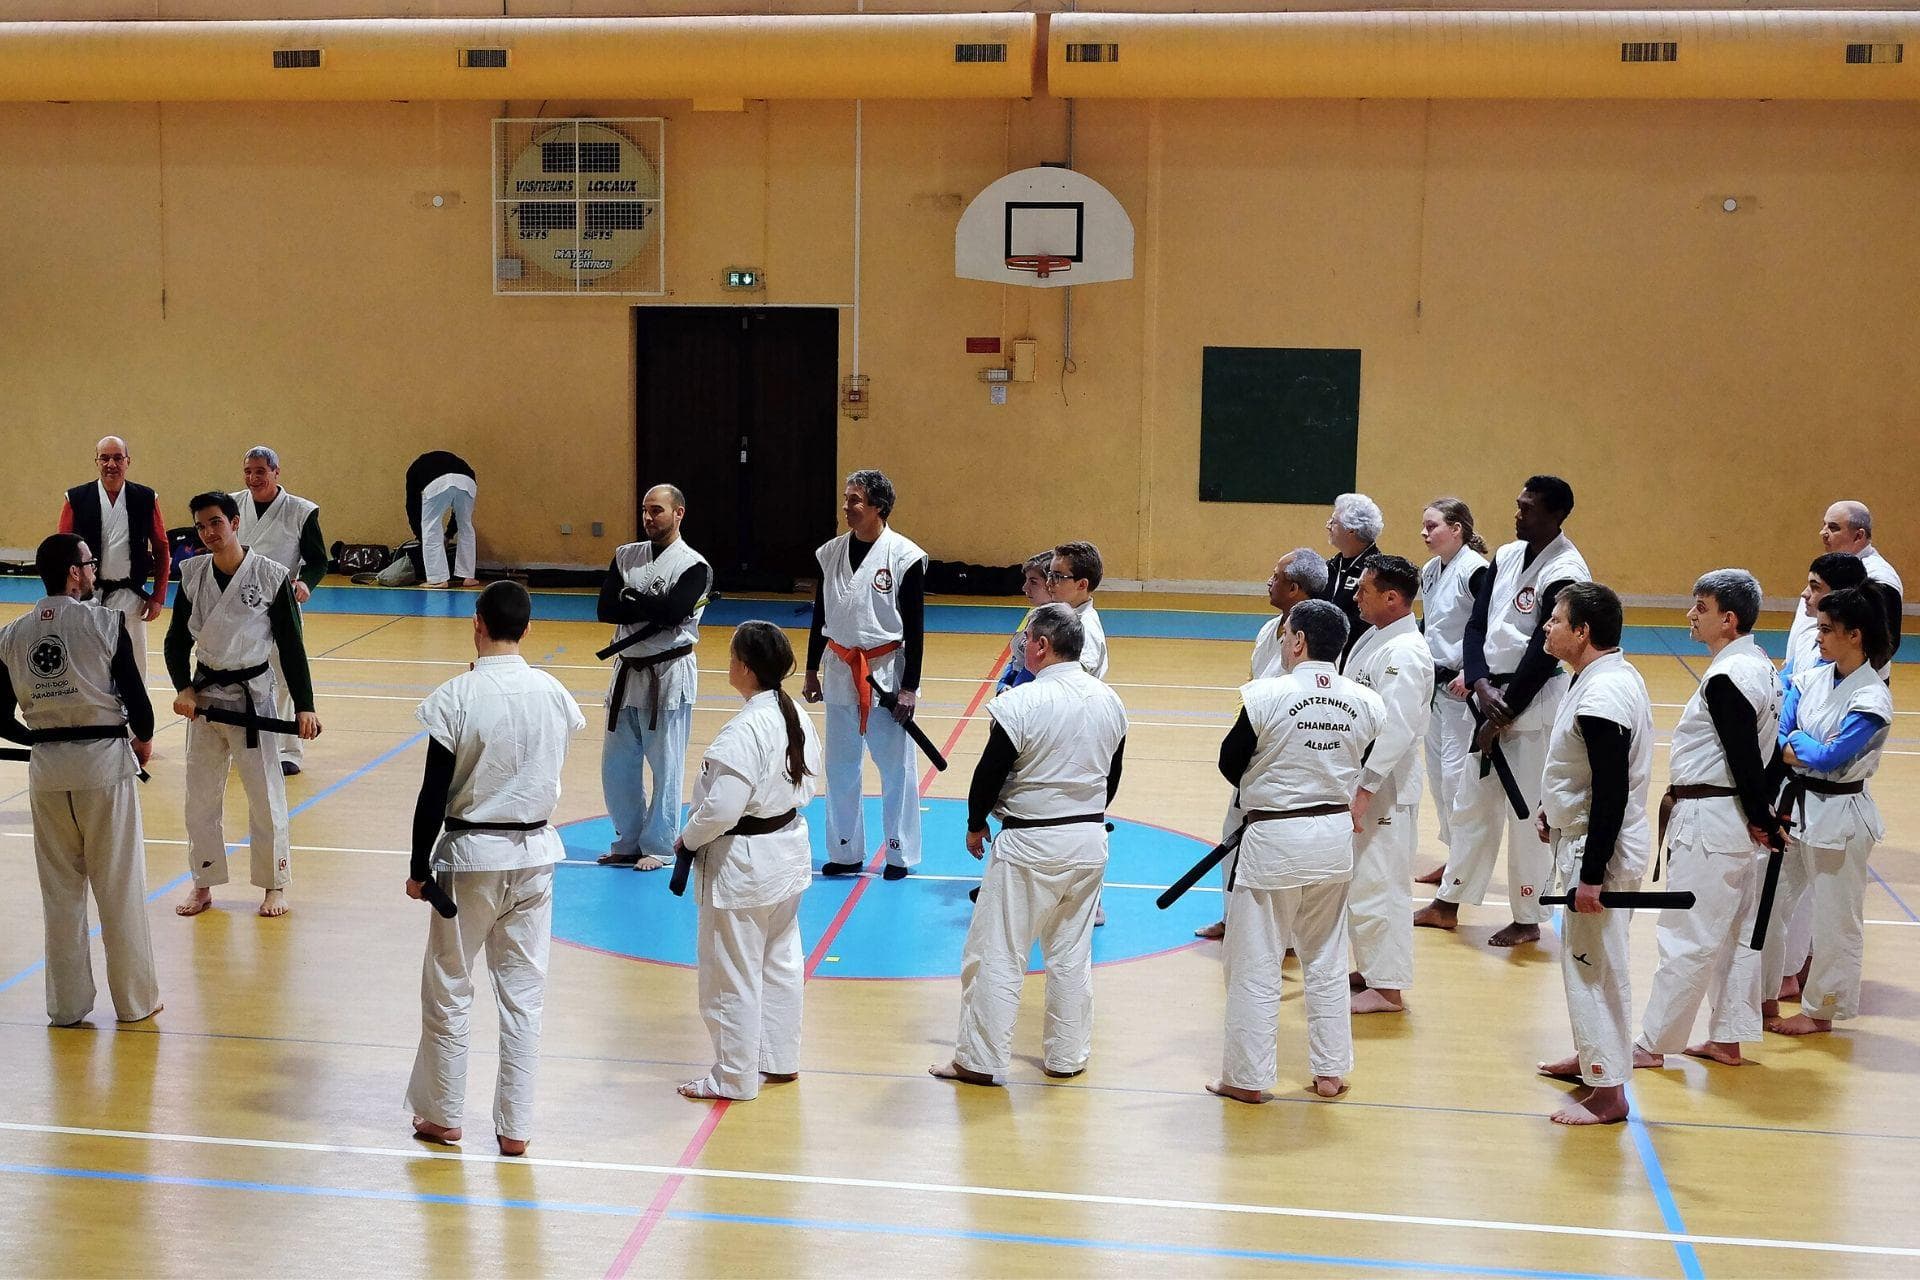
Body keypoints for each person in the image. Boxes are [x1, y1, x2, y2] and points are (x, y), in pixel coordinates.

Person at [405, 582, 585, 1155]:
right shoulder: (554, 693)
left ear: (476, 623)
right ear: (528, 629)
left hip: (470, 861)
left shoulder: (456, 696)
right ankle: (515, 1127)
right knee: (524, 996)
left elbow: (433, 793)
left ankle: (443, 1115)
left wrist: (417, 867)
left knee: (450, 986)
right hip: (535, 857)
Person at [931, 604, 1128, 1086]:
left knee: (998, 952)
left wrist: (975, 823)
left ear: (1041, 645)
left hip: (1031, 842)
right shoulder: (1110, 701)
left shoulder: (1021, 702)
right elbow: (1112, 777)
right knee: (1071, 955)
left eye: (1026, 641)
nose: (1021, 649)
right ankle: (1067, 1056)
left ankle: (979, 1061)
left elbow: (989, 772)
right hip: (1089, 839)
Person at [1208, 599, 1383, 1104]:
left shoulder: (1265, 695)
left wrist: (1276, 777)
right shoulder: (1368, 702)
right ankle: (1330, 1072)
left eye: (1286, 636)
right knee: (1326, 957)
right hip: (1333, 838)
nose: (1284, 644)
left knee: (1255, 959)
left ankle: (1246, 1078)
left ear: (1299, 640)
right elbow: (1363, 756)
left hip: (1274, 840)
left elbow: (1230, 764)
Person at [1415, 476, 1589, 947]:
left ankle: (1528, 917)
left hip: (1530, 702)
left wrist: (1503, 713)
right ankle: (1448, 901)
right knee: (1470, 803)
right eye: (1518, 505)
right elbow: (1476, 625)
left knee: (1526, 812)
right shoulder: (1508, 555)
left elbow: (1545, 649)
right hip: (1487, 692)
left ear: (1555, 515)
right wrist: (1478, 681)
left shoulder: (1566, 570)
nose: (1518, 514)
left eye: (1527, 508)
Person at [0, 533, 161, 1027]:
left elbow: (1, 719)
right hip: (103, 769)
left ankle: (66, 1006)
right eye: (90, 563)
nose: (94, 571)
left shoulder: (11, 636)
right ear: (74, 572)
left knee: (60, 893)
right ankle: (135, 1002)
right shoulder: (106, 623)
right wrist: (138, 738)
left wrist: (43, 737)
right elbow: (143, 713)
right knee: (119, 887)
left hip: (47, 773)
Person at [1631, 571, 1785, 1069]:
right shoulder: (1762, 667)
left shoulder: (1727, 677)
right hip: (1733, 819)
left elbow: (1745, 757)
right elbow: (1765, 756)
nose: (1691, 615)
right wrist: (1761, 816)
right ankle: (1728, 1038)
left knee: (1688, 934)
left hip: (1711, 817)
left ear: (1729, 619)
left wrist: (1762, 816)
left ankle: (1654, 1043)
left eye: (1701, 607)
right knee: (1737, 934)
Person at [675, 622, 822, 1101]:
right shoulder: (795, 715)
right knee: (780, 961)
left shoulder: (746, 729)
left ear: (745, 667)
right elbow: (809, 784)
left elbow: (721, 809)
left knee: (730, 974)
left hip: (744, 867)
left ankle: (733, 1076)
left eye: (732, 656)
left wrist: (687, 838)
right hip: (787, 854)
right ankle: (779, 1059)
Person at [166, 491, 321, 919]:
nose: (208, 532)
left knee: (265, 795)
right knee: (199, 797)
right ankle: (203, 882)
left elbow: (291, 645)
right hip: (205, 700)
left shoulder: (270, 575)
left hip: (254, 698)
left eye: (215, 522)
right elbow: (176, 640)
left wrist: (305, 705)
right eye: (200, 526)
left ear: (235, 523)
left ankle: (274, 884)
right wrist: (183, 688)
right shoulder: (193, 574)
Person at [1532, 583, 1653, 1126]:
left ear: (1582, 632)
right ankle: (1592, 1057)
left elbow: (1611, 789)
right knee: (1586, 961)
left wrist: (1591, 874)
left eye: (1556, 620)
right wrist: (1550, 809)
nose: (1546, 627)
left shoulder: (1604, 692)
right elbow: (1578, 769)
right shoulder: (1597, 678)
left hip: (1596, 849)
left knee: (1594, 967)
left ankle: (1609, 1093)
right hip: (1580, 836)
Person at [1759, 587, 1897, 1037]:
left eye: (1826, 629)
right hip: (1795, 808)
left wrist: (1800, 745)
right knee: (1770, 902)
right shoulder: (1811, 678)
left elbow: (1831, 757)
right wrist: (1802, 746)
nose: (1817, 637)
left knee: (1836, 920)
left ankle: (1822, 1010)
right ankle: (1762, 992)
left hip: (1842, 815)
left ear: (1854, 635)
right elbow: (1782, 735)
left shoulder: (1871, 697)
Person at [1195, 547, 1329, 941]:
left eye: (1276, 577)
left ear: (1295, 588)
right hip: (1255, 743)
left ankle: (1284, 935)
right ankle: (1232, 916)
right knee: (1233, 830)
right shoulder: (1269, 629)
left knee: (1278, 846)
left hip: (1287, 754)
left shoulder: (1317, 638)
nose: (1269, 582)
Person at [803, 470, 928, 880]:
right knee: (840, 767)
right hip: (840, 668)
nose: (846, 506)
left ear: (879, 507)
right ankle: (845, 850)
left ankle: (899, 852)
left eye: (855, 500)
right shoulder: (830, 553)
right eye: (846, 498)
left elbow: (915, 628)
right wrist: (810, 669)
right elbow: (821, 615)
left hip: (887, 672)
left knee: (896, 769)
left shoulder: (904, 556)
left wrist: (909, 688)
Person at [596, 484, 711, 872]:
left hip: (668, 673)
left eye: (657, 510)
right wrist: (649, 606)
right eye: (645, 510)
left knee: (666, 764)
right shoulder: (625, 555)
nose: (648, 517)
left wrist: (631, 598)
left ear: (679, 513)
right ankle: (627, 840)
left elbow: (674, 613)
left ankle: (660, 846)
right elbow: (605, 609)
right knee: (616, 766)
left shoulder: (694, 566)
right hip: (627, 671)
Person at [1341, 556, 1434, 1014]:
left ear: (1393, 598)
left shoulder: (1405, 653)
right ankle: (1373, 968)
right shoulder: (1378, 637)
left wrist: (1365, 790)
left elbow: (1396, 729)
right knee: (1363, 881)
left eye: (1365, 589)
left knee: (1380, 884)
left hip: (1385, 788)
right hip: (1365, 780)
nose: (1356, 596)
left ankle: (1389, 987)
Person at [232, 445, 327, 776]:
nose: (253, 478)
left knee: (285, 676)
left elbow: (318, 560)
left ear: (276, 472)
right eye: (248, 471)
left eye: (260, 471)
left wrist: (305, 583)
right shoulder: (231, 505)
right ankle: (246, 742)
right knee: (240, 674)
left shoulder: (301, 511)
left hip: (282, 601)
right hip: (240, 604)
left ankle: (289, 749)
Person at [1414, 498, 1491, 885]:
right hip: (1434, 685)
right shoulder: (1430, 570)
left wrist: (1471, 671)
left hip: (1463, 691)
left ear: (1457, 529)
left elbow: (1491, 625)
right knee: (1437, 775)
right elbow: (1432, 624)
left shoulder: (1476, 571)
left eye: (1432, 526)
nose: (1424, 533)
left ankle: (1465, 864)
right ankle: (1454, 856)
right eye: (1424, 526)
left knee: (1456, 777)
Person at [58, 436, 170, 681]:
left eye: (118, 458)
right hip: (87, 597)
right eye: (105, 458)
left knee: (134, 668)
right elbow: (62, 550)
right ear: (96, 461)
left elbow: (162, 549)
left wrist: (158, 596)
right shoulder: (76, 498)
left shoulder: (145, 498)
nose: (111, 464)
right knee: (87, 666)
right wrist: (64, 596)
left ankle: (136, 707)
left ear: (128, 461)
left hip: (131, 597)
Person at [1321, 493, 1384, 660]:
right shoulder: (1330, 566)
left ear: (1351, 529)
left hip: (1358, 657)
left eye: (1333, 521)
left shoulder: (1377, 571)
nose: (1327, 526)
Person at [406, 450, 480, 588]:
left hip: (437, 483)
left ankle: (438, 579)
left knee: (430, 527)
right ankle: (468, 577)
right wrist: (449, 534)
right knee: (466, 525)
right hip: (467, 480)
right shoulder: (453, 462)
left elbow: (412, 507)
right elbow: (456, 515)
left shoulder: (413, 472)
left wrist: (421, 536)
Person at [993, 552, 1056, 695]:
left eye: (1033, 582)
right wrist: (1003, 685)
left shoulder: (1057, 626)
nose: (1024, 588)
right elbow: (1017, 659)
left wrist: (1015, 694)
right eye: (1026, 581)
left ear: (1052, 584)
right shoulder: (1035, 616)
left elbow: (1033, 670)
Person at [1046, 541, 1110, 680]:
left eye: (1058, 577)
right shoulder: (1061, 616)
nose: (1049, 583)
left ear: (1082, 585)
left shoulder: (1085, 628)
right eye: (1050, 575)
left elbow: (1076, 679)